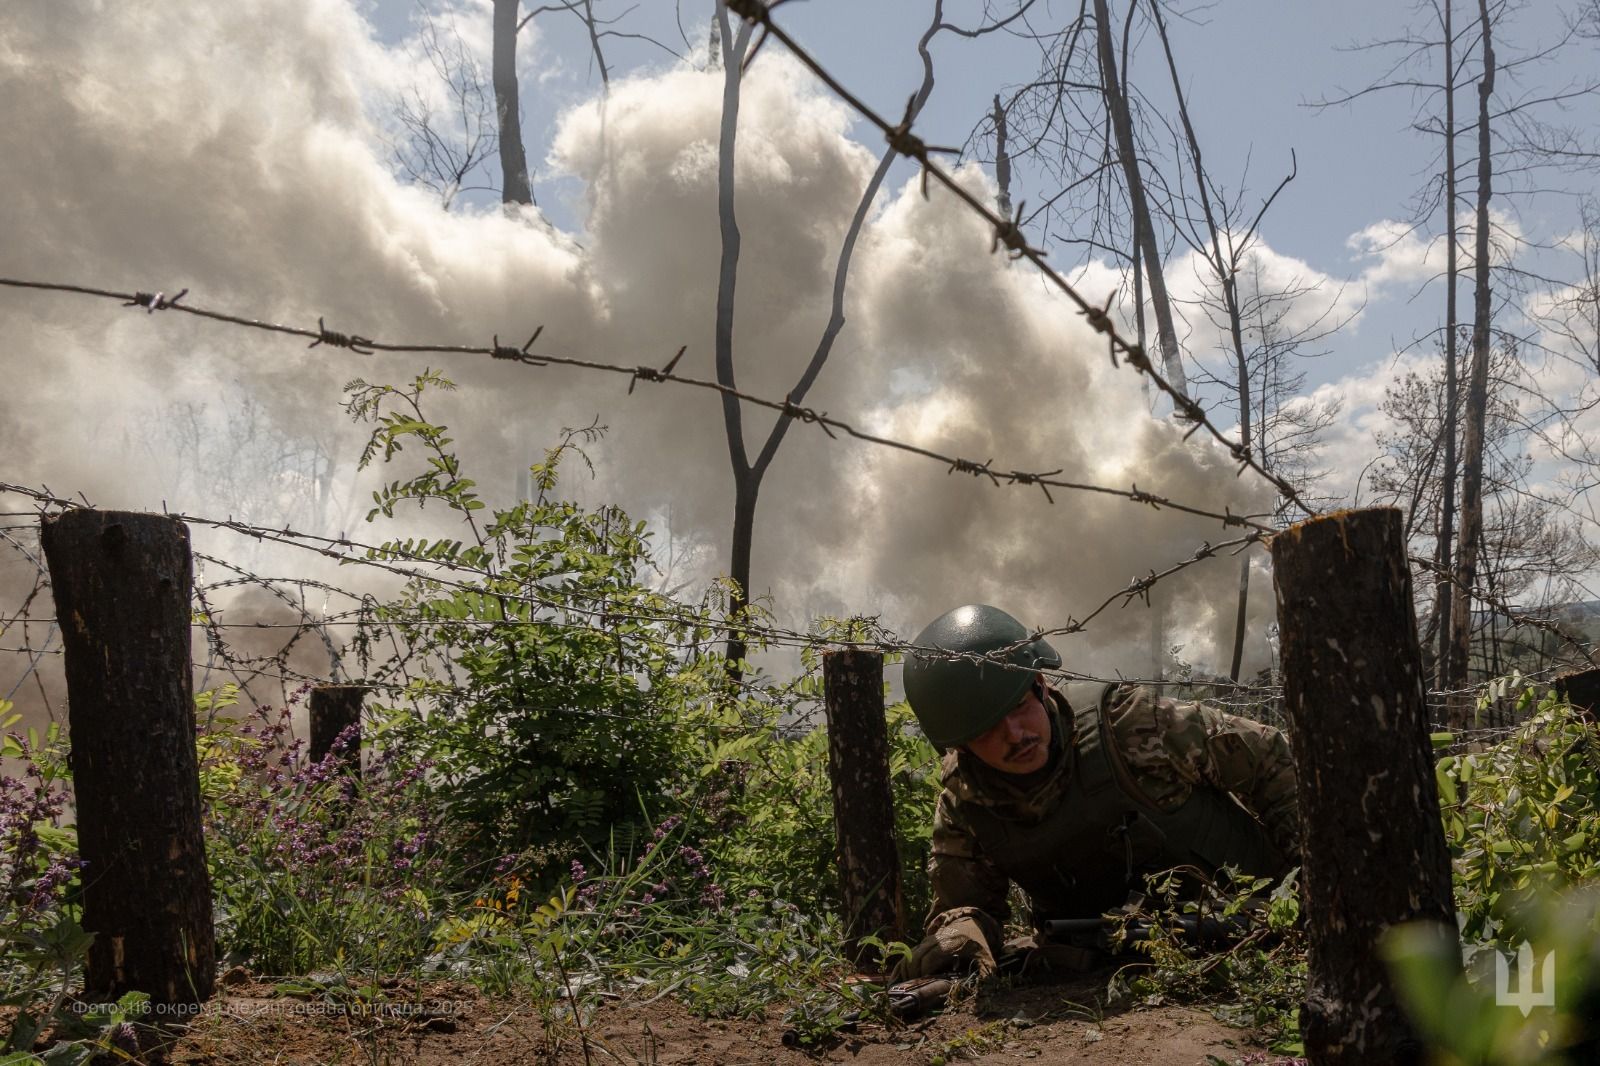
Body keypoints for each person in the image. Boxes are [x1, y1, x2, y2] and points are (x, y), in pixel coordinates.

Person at [896, 603, 1299, 979]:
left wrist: (1315, 881)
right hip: (1111, 968)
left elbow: (1273, 761)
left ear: (1040, 683)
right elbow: (965, 907)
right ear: (961, 746)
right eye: (988, 730)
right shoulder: (966, 801)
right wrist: (962, 933)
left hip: (1267, 924)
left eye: (1020, 707)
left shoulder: (1133, 727)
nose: (1016, 735)